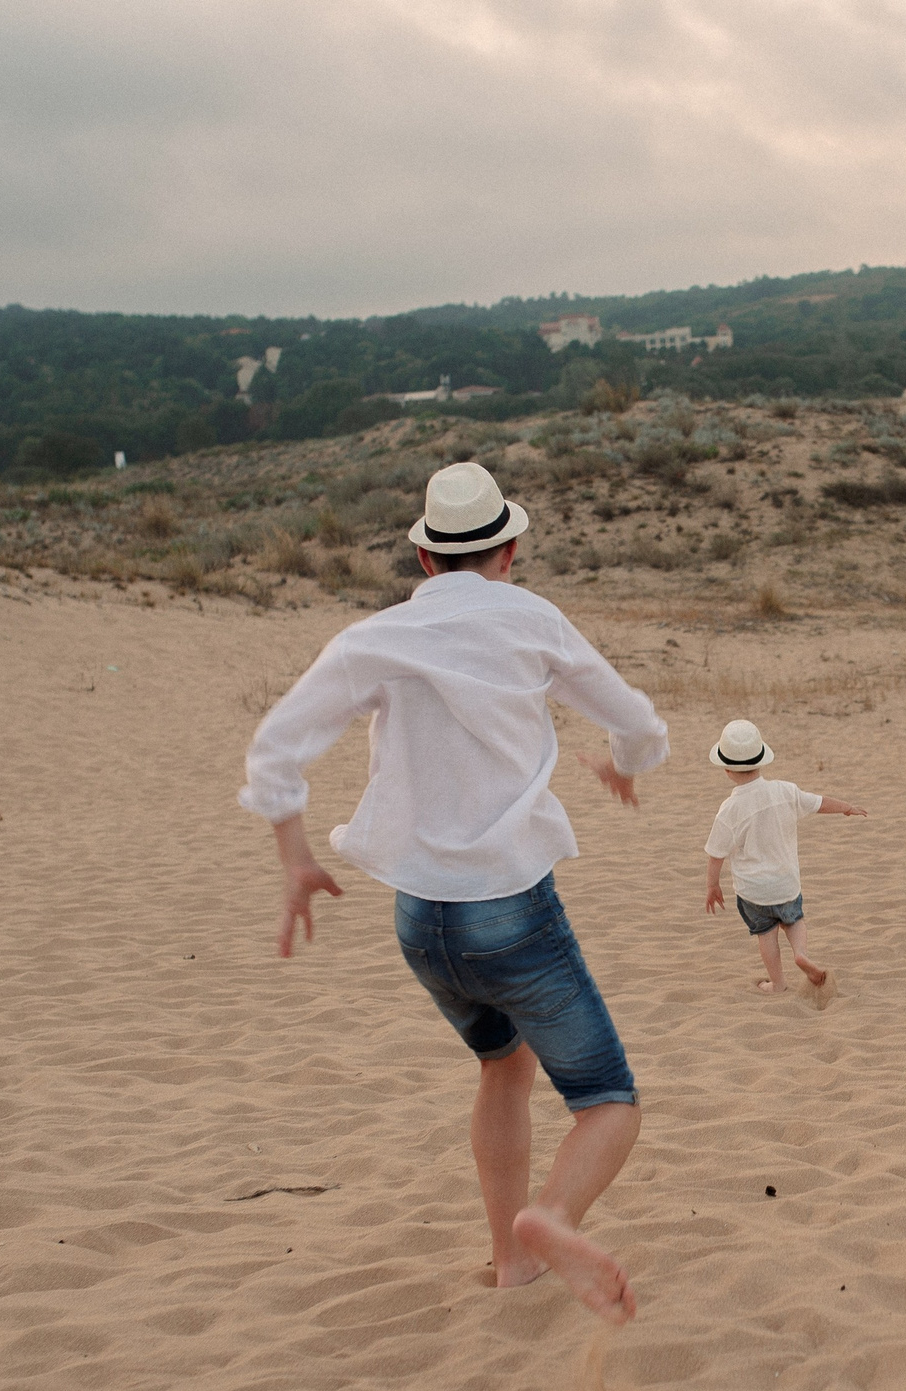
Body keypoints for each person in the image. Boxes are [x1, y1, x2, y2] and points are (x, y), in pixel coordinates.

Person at [238, 462, 665, 1324]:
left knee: (503, 1065)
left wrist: (294, 856)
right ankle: (548, 1218)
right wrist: (622, 768)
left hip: (420, 922)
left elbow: (277, 746)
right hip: (510, 909)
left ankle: (512, 1263)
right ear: (511, 549)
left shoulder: (378, 636)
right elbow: (638, 723)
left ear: (428, 562)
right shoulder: (533, 618)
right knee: (609, 1102)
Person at [700, 718, 867, 1004]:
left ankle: (777, 983)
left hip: (752, 891)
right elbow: (818, 802)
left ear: (726, 769)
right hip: (786, 883)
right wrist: (846, 808)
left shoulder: (729, 809)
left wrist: (712, 885)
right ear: (762, 759)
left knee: (765, 934)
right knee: (794, 920)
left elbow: (716, 853)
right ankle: (801, 954)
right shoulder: (785, 791)